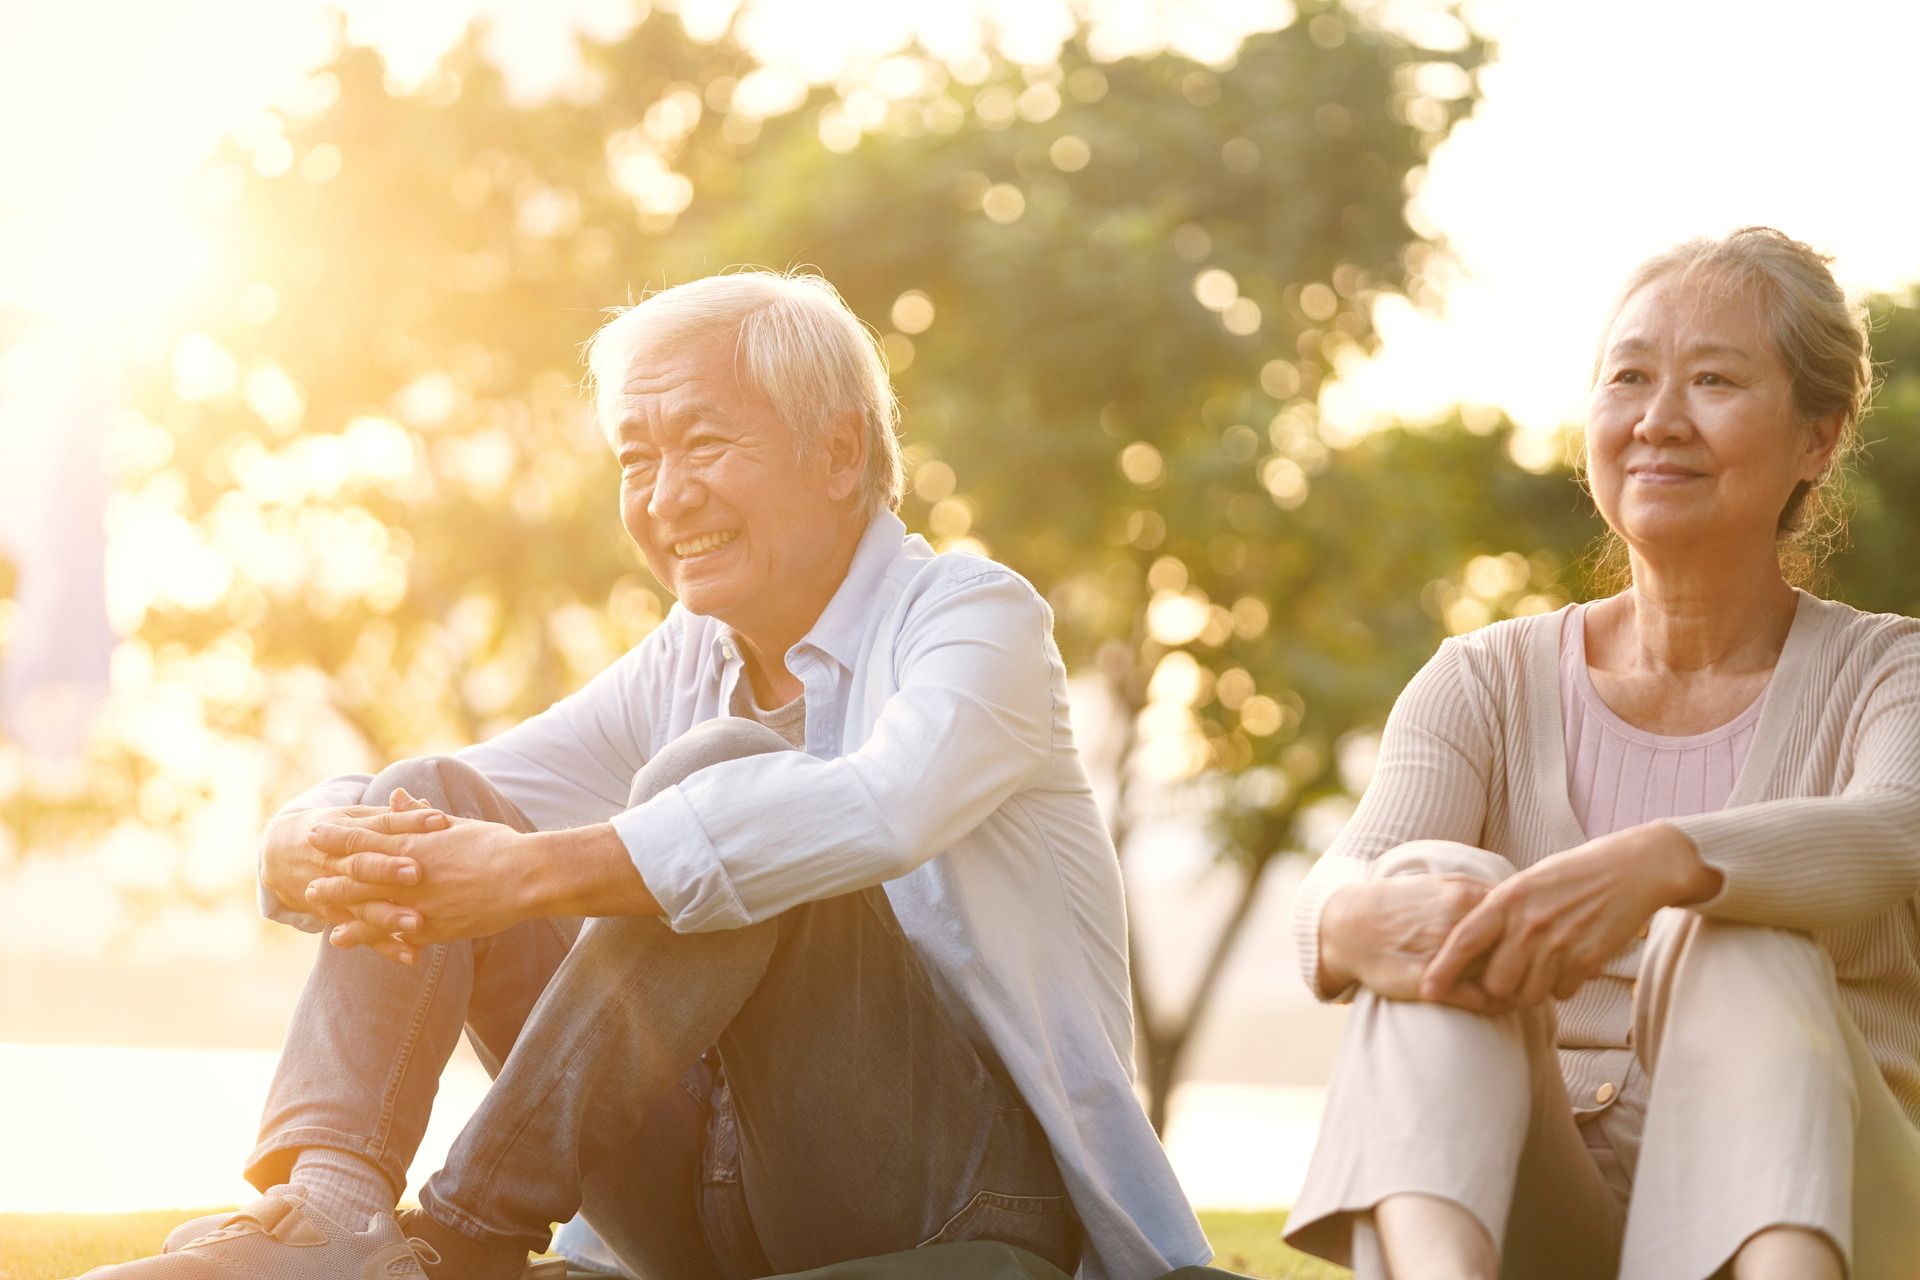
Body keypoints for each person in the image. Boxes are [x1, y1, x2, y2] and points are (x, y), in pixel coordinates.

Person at [86, 270, 1209, 1280]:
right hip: (710, 1199)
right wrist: (301, 836)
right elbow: (455, 793)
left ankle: (468, 1233)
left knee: (724, 779)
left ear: (839, 452)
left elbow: (882, 806)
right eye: (637, 458)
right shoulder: (689, 652)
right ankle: (328, 1210)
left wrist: (538, 872)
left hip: (956, 1195)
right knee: (430, 787)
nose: (665, 497)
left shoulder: (974, 619)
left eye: (704, 444)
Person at [1282, 228, 1920, 1280]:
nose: (1658, 420)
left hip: (1843, 1215)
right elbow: (1343, 878)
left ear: (1818, 438)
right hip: (1559, 1217)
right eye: (1629, 376)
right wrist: (1364, 917)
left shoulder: (1890, 671)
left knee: (1740, 934)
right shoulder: (1482, 678)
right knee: (1436, 886)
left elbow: (1898, 826)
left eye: (1713, 378)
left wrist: (1661, 861)